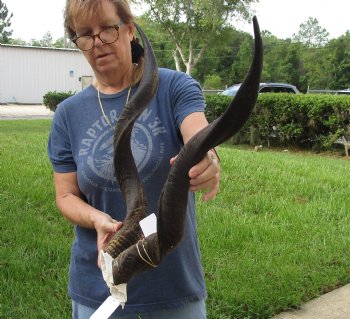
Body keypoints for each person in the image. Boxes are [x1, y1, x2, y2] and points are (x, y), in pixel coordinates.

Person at [48, 0, 220, 318]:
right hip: (98, 286)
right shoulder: (68, 114)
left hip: (172, 285)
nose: (97, 41)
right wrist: (97, 220)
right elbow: (66, 195)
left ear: (129, 30)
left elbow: (198, 137)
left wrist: (207, 158)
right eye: (85, 34)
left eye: (107, 29)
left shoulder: (173, 87)